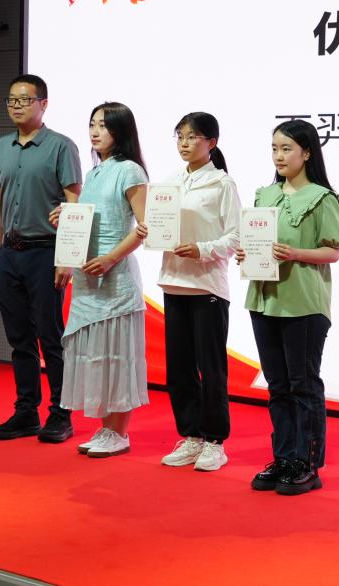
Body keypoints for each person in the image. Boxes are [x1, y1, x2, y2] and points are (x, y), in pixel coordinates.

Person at [238, 119, 339, 495]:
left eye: (287, 149)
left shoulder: (322, 198)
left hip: (303, 303)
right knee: (278, 385)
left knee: (303, 384)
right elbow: (254, 242)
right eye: (274, 148)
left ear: (307, 153)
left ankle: (307, 463)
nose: (279, 156)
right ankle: (284, 457)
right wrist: (245, 253)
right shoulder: (265, 195)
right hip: (264, 299)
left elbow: (333, 251)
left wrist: (296, 253)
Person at [136, 112, 240, 472]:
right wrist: (148, 231)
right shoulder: (169, 183)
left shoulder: (222, 184)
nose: (184, 143)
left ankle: (215, 442)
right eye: (180, 136)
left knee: (211, 369)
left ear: (211, 142)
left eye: (193, 136)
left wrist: (202, 249)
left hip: (207, 286)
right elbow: (159, 227)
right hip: (174, 281)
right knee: (179, 369)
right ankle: (191, 436)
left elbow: (235, 237)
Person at [0, 74, 82, 443]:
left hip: (46, 252)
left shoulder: (61, 146)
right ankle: (26, 411)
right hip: (10, 253)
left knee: (50, 336)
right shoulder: (1, 147)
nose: (17, 105)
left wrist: (67, 257)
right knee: (19, 338)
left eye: (25, 99)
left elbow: (74, 203)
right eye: (12, 99)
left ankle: (61, 413)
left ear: (43, 104)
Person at [53, 102, 150, 458]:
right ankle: (106, 427)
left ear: (121, 131)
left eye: (104, 126)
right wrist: (65, 217)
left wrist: (111, 258)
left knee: (117, 355)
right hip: (88, 278)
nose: (95, 132)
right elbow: (86, 220)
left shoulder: (131, 171)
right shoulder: (94, 173)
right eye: (92, 124)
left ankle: (118, 431)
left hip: (115, 278)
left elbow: (145, 227)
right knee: (96, 355)